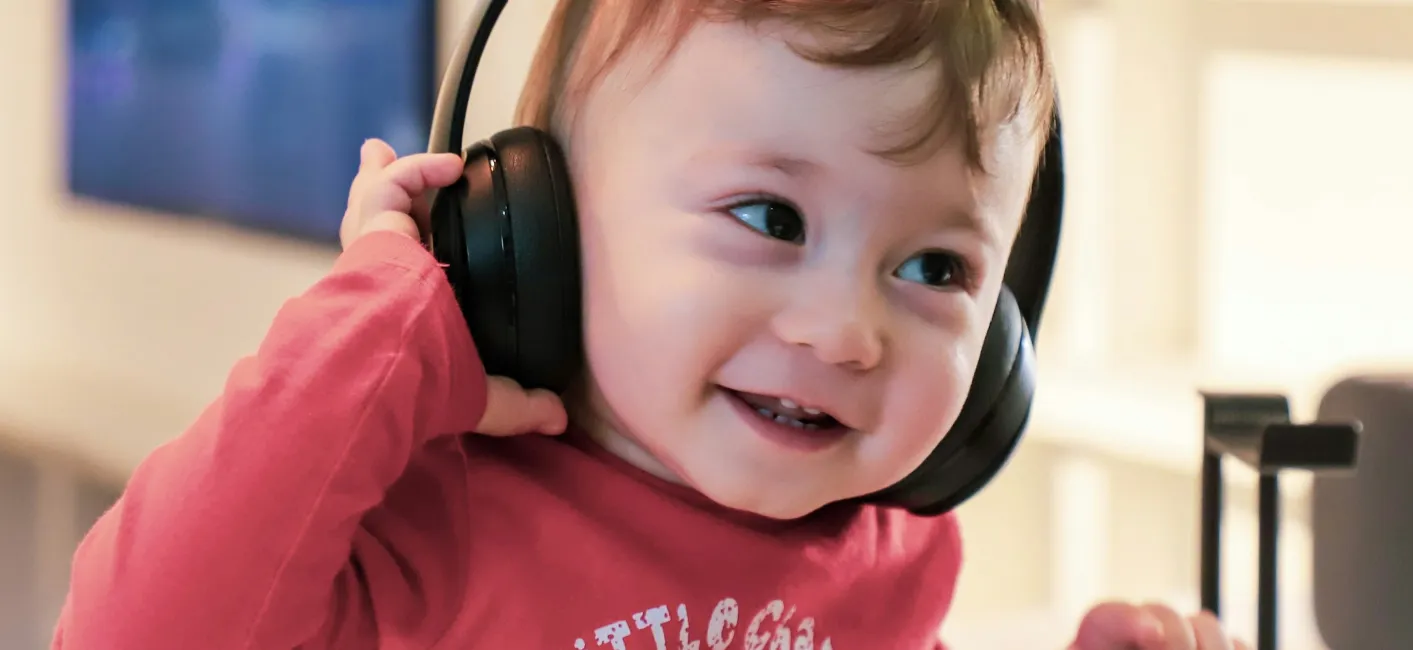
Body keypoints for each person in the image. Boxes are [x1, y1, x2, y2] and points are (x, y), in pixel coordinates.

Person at [54, 1, 1248, 648]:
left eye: (936, 264)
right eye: (769, 214)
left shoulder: (891, 571)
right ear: (529, 224)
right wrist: (377, 324)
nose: (844, 330)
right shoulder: (436, 523)